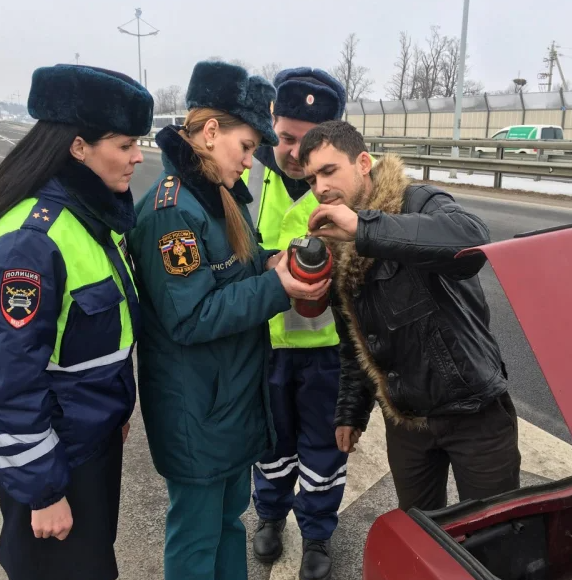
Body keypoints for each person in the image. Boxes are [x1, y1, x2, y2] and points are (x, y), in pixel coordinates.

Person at [126, 61, 331, 580]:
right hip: (197, 408)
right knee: (196, 538)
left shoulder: (216, 195)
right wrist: (278, 287)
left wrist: (270, 262)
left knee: (228, 525)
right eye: (245, 146)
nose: (249, 160)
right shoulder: (174, 211)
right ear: (212, 131)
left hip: (227, 402)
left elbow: (237, 263)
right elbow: (191, 316)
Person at [0, 64, 152, 580]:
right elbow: (6, 386)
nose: (138, 156)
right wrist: (44, 493)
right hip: (56, 464)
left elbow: (93, 344)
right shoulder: (31, 243)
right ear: (78, 147)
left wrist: (113, 412)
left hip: (89, 445)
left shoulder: (89, 220)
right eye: (125, 145)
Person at [299, 120, 521, 513]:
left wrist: (364, 228)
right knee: (421, 534)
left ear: (363, 163)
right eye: (312, 179)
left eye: (329, 171)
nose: (320, 187)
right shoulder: (337, 242)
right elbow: (356, 341)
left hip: (475, 412)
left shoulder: (415, 201)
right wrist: (351, 410)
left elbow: (471, 241)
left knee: (498, 534)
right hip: (407, 423)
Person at [242, 67, 347, 580]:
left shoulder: (344, 183)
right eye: (285, 137)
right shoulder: (245, 173)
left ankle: (318, 533)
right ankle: (270, 515)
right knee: (271, 443)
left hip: (326, 348)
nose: (294, 153)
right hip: (263, 344)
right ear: (271, 126)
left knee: (324, 449)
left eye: (308, 142)